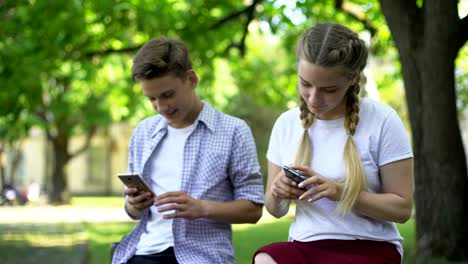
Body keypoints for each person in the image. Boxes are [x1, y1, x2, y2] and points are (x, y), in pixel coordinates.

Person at [253, 23, 413, 264]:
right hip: (305, 245)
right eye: (305, 84)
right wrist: (278, 192)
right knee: (266, 258)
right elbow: (275, 210)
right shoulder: (286, 124)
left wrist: (341, 192)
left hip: (368, 248)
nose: (313, 99)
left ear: (351, 79)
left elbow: (402, 210)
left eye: (328, 89)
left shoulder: (382, 120)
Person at [112, 37, 264, 264]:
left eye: (167, 95)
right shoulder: (144, 132)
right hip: (142, 253)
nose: (161, 107)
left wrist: (202, 208)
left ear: (191, 79)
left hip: (202, 256)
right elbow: (133, 212)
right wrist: (132, 206)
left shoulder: (234, 131)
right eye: (151, 99)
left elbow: (253, 210)